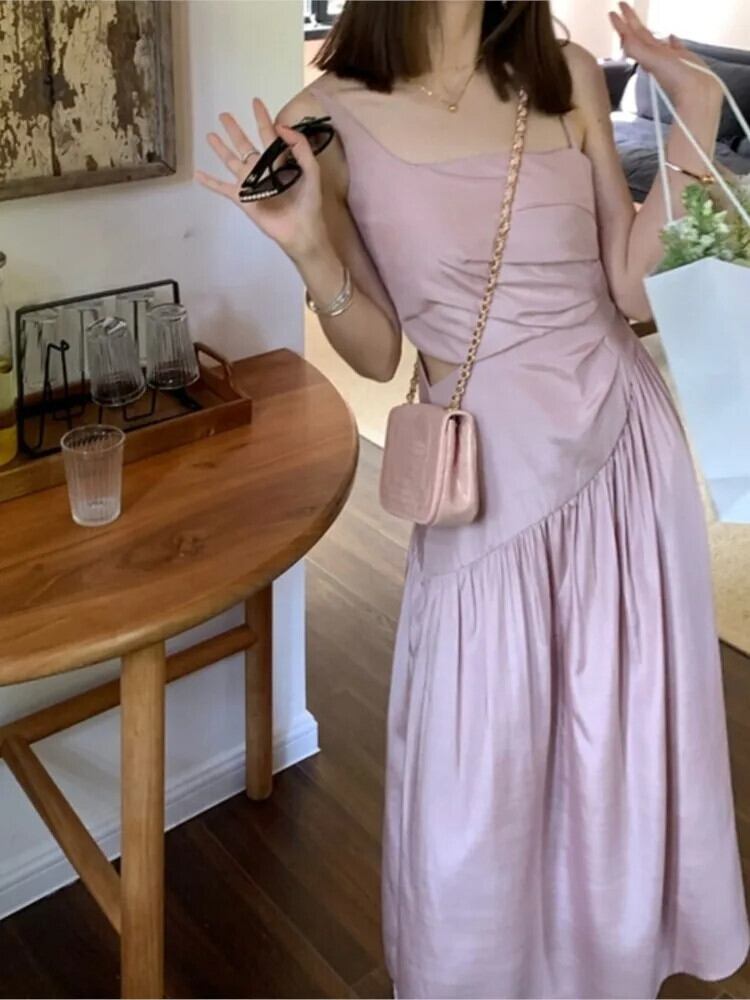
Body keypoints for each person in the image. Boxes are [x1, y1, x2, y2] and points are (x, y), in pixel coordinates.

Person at [196, 2, 750, 996]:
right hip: (486, 489)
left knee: (619, 752)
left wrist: (698, 107)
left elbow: (630, 289)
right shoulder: (325, 117)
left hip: (624, 457)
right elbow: (380, 350)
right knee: (477, 775)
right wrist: (310, 250)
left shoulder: (565, 72)